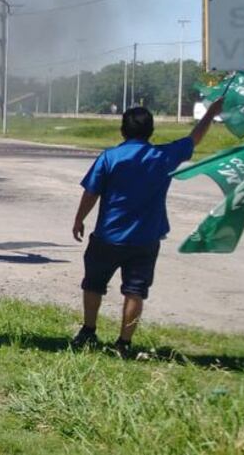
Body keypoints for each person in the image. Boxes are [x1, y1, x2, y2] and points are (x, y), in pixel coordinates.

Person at [69, 99, 223, 355]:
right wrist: (211, 112)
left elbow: (91, 192)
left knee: (93, 284)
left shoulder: (110, 157)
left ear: (123, 130)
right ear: (151, 132)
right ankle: (124, 343)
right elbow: (194, 138)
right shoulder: (163, 156)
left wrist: (79, 219)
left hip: (108, 236)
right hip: (145, 239)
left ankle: (88, 331)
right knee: (135, 291)